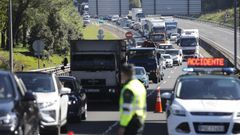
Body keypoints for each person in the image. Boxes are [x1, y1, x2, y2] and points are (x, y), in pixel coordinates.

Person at [118, 64, 147, 135]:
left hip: (130, 123)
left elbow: (127, 109)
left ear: (125, 74)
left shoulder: (128, 89)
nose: (121, 77)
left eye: (121, 74)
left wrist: (122, 126)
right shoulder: (140, 85)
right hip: (140, 121)